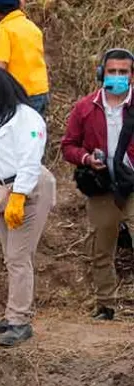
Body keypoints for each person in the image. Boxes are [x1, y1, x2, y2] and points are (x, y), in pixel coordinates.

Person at [0, 67, 55, 347]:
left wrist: (20, 194)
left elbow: (30, 159)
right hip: (0, 189)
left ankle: (19, 319)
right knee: (10, 255)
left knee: (18, 256)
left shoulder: (26, 118)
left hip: (28, 188)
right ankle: (12, 314)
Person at [60, 48, 134, 321]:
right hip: (102, 186)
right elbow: (68, 146)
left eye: (123, 72)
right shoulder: (85, 107)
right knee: (102, 247)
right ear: (102, 73)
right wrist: (86, 158)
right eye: (112, 71)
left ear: (132, 75)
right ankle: (106, 303)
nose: (117, 76)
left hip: (132, 183)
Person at [0, 0, 49, 115]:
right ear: (21, 4)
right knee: (35, 130)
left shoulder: (3, 31)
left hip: (18, 95)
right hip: (40, 91)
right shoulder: (33, 28)